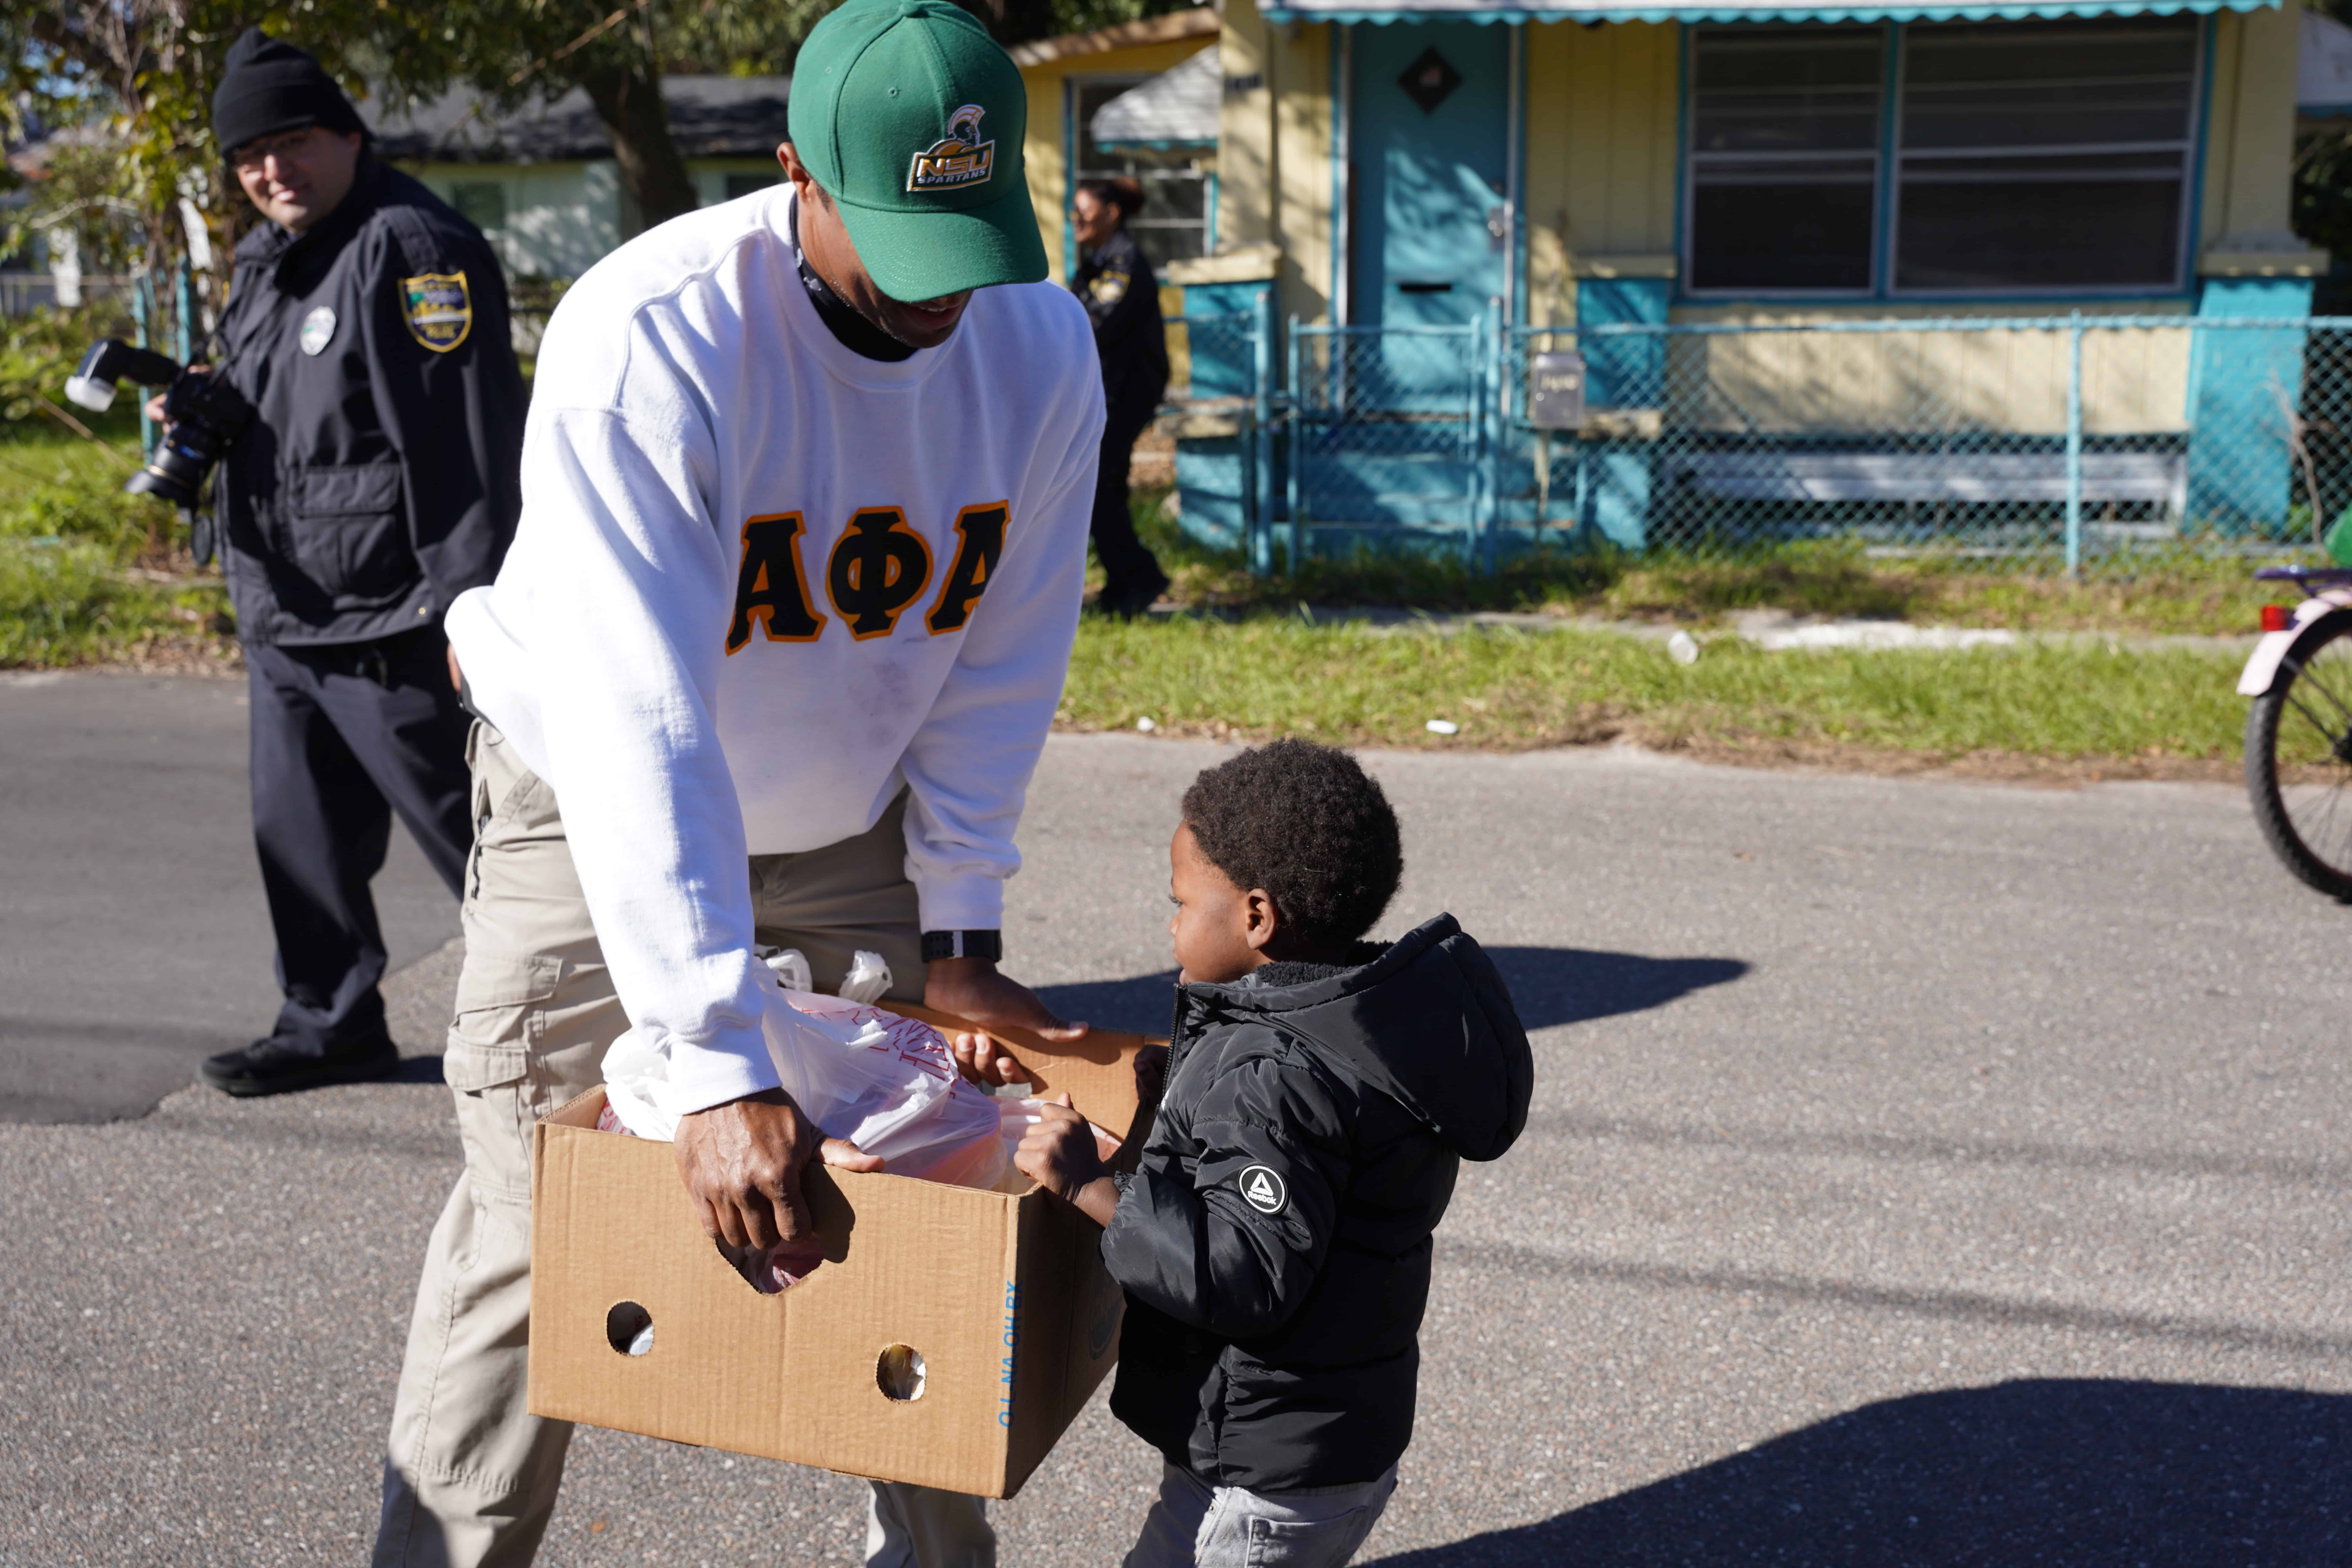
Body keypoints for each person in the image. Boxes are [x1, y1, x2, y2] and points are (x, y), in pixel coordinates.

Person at [370, 2, 1104, 1564]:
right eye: (903, 240)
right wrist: (712, 1063)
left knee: (918, 1207)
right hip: (595, 804)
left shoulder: (1039, 341)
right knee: (540, 1238)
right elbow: (643, 714)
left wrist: (961, 931)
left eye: (973, 237)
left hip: (845, 821)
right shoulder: (654, 334)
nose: (946, 295)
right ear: (796, 178)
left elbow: (1001, 657)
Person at [1003, 739, 1534, 1568]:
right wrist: (1173, 1091)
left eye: (1180, 902)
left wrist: (1089, 1182)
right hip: (1323, 1438)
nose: (1171, 924)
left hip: (1262, 1475)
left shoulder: (1275, 1071)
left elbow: (1234, 1274)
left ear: (1256, 916)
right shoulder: (1360, 1021)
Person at [187, 28, 525, 1098]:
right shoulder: (269, 258)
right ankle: (330, 1021)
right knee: (304, 842)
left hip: (393, 618)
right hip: (286, 608)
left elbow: (464, 451)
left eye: (291, 142)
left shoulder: (412, 248)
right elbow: (298, 412)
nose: (271, 171)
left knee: (494, 850)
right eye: (250, 156)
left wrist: (474, 619)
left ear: (346, 132)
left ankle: (611, 1015)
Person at [1068, 176, 1171, 618]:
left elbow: (1094, 323)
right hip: (1106, 390)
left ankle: (1140, 579)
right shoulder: (1097, 260)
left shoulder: (1123, 261)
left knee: (1103, 489)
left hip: (1125, 392)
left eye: (1083, 213)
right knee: (1099, 489)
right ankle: (1125, 582)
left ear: (1111, 214)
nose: (1076, 222)